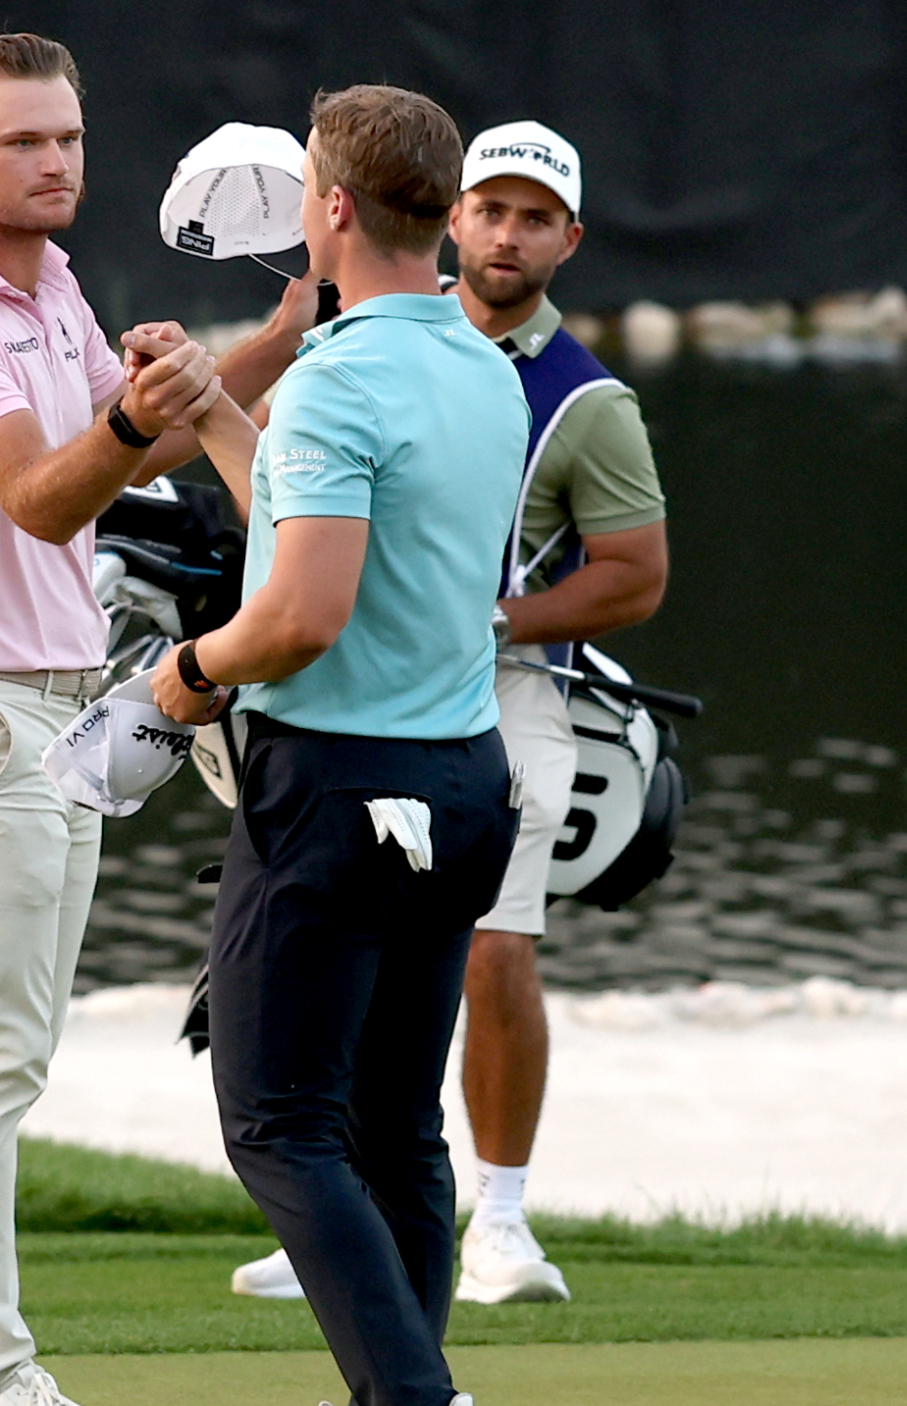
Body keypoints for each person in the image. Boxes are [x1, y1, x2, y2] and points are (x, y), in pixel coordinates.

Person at [0, 32, 316, 1406]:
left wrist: (266, 341)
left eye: (70, 141)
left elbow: (135, 456)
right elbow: (48, 494)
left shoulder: (49, 288)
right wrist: (124, 408)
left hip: (59, 713)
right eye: (26, 145)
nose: (58, 166)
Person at [228, 121, 670, 1305]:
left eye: (535, 216)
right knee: (367, 1017)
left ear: (566, 240)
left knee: (494, 942)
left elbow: (634, 575)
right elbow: (293, 519)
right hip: (375, 698)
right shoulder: (380, 352)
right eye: (492, 208)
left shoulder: (580, 398)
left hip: (500, 692)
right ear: (449, 216)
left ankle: (501, 1215)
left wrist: (187, 673)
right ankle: (342, 1218)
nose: (508, 232)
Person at [149, 85, 526, 1406]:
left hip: (335, 793)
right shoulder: (484, 364)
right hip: (467, 786)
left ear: (334, 208)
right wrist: (214, 414)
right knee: (394, 1132)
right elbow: (322, 533)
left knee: (279, 1129)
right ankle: (409, 1386)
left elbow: (300, 611)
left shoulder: (337, 380)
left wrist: (186, 672)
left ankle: (418, 1399)